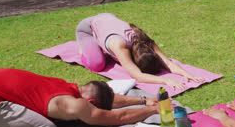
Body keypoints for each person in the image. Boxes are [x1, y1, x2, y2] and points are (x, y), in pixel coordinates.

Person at [0, 68, 160, 127]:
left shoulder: (67, 87)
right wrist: (154, 111)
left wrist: (143, 100)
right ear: (89, 102)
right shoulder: (74, 104)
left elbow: (110, 100)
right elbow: (117, 118)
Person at [76, 13, 204, 90]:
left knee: (113, 58)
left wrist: (188, 74)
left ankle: (101, 42)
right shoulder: (119, 45)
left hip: (108, 19)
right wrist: (166, 81)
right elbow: (137, 76)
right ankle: (87, 45)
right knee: (97, 65)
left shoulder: (144, 40)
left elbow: (167, 62)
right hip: (88, 27)